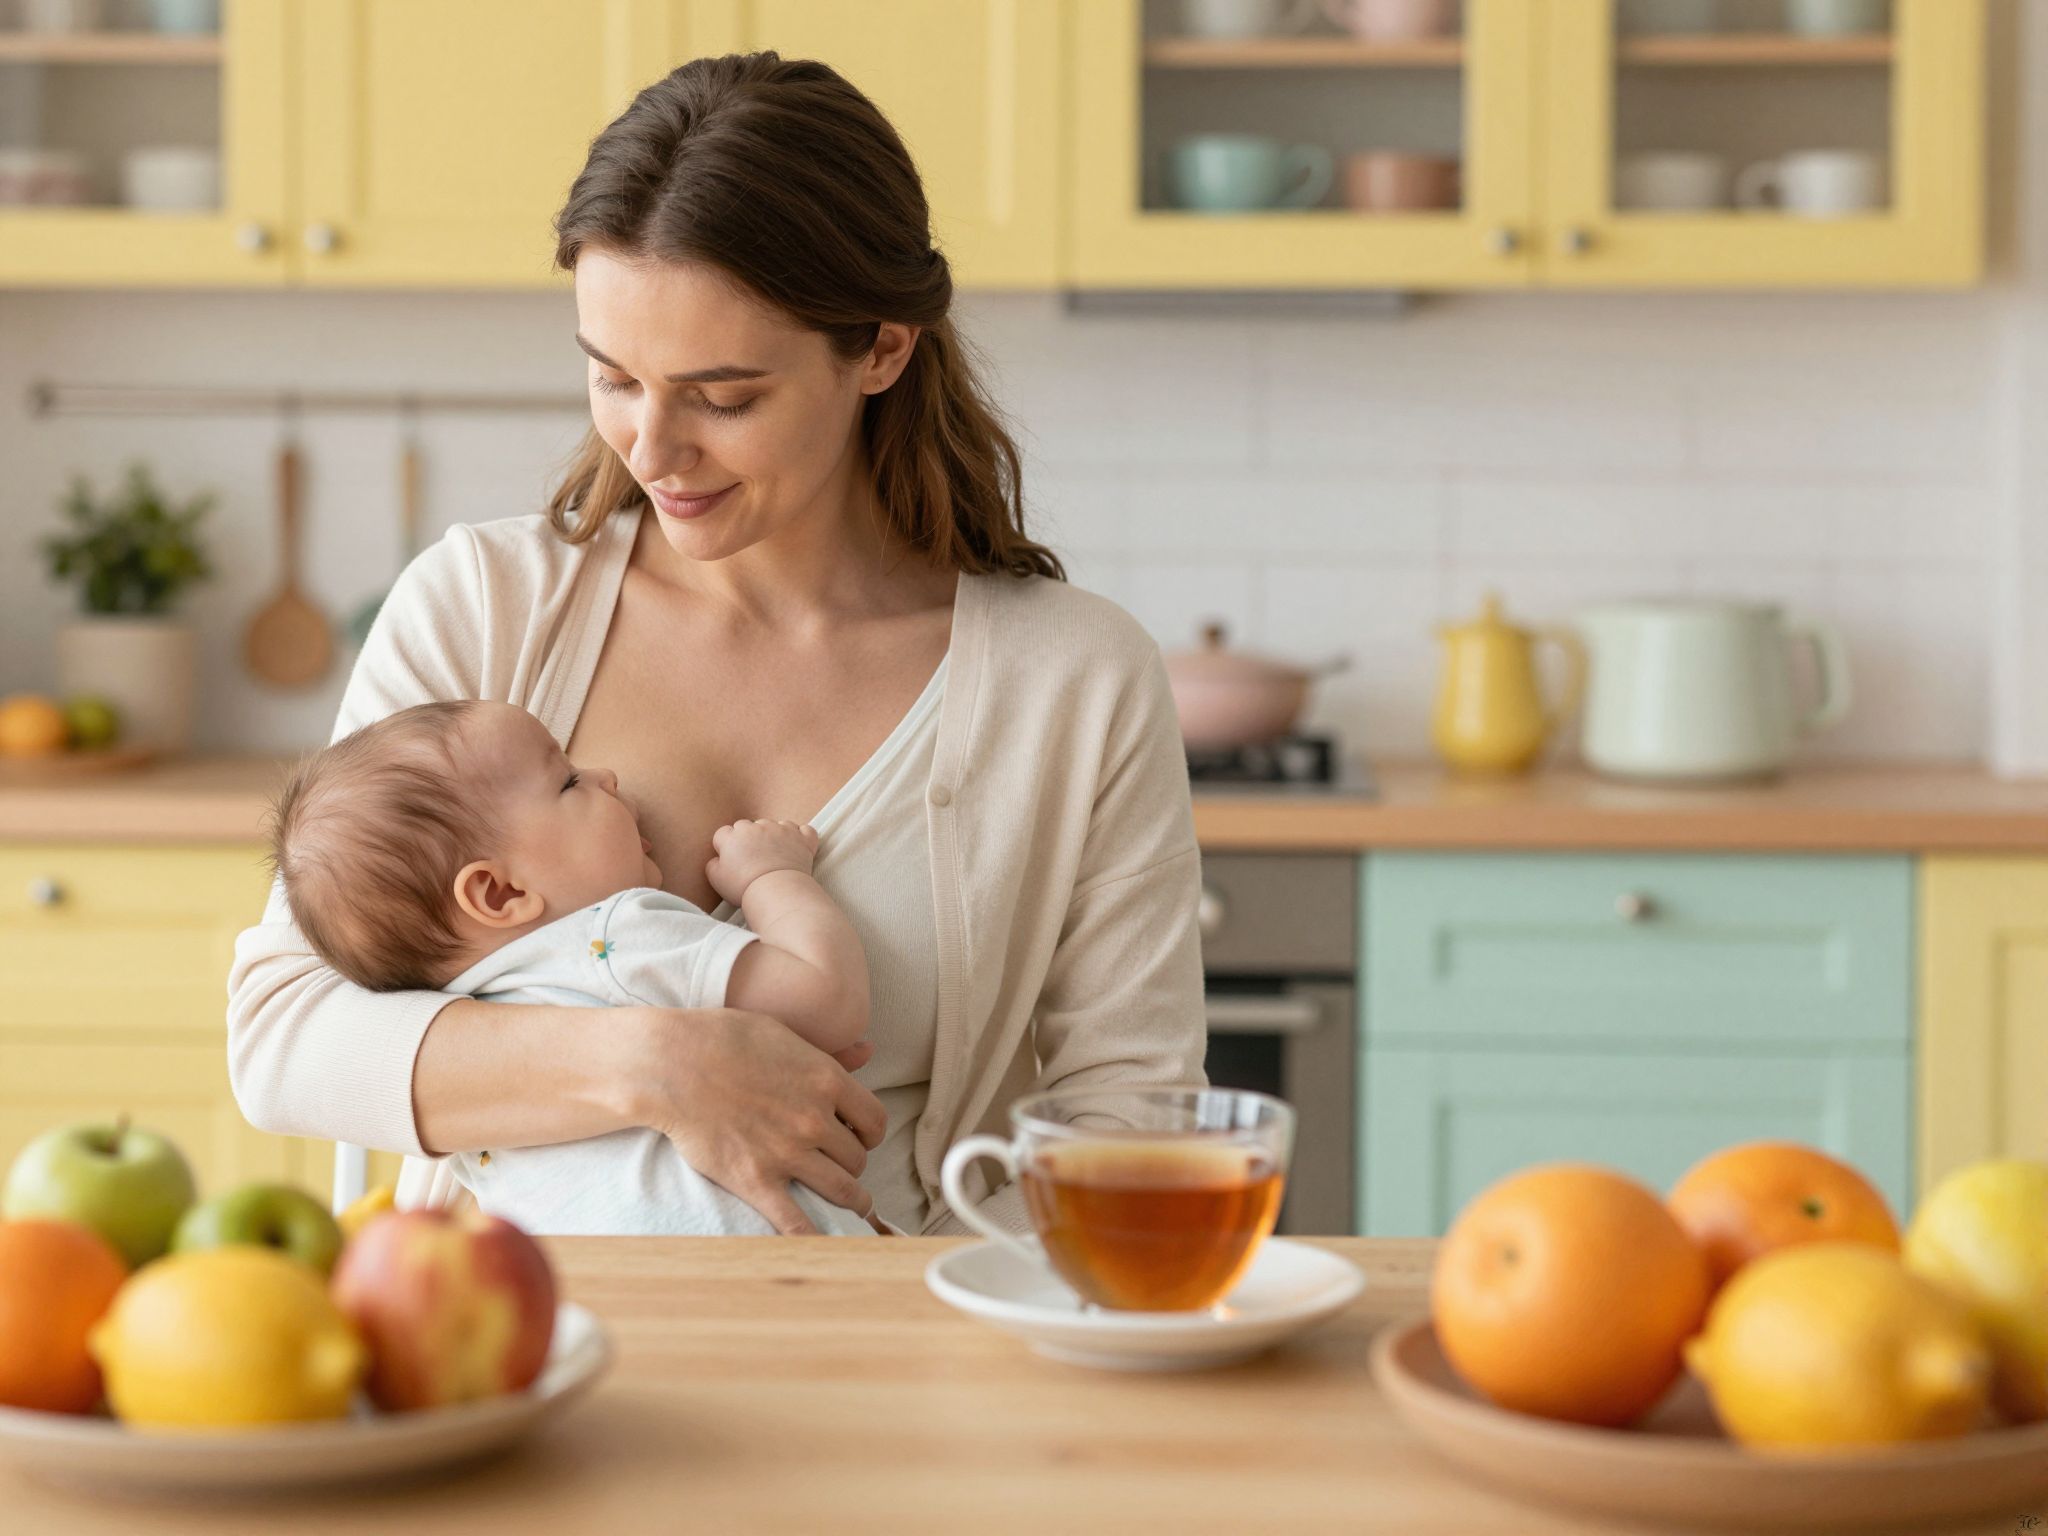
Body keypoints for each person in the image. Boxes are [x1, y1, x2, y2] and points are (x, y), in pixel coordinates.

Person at [226, 51, 1206, 1237]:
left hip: (902, 1373)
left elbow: (1131, 1114)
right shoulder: (483, 605)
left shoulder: (1075, 681)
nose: (653, 448)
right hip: (509, 1351)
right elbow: (284, 1037)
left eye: (724, 398)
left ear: (882, 349)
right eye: (612, 379)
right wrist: (656, 1063)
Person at [263, 698, 878, 1237]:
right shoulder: (612, 940)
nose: (606, 776)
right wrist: (775, 876)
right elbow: (827, 998)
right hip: (760, 1267)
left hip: (585, 1304)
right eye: (567, 783)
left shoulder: (457, 1039)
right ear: (500, 895)